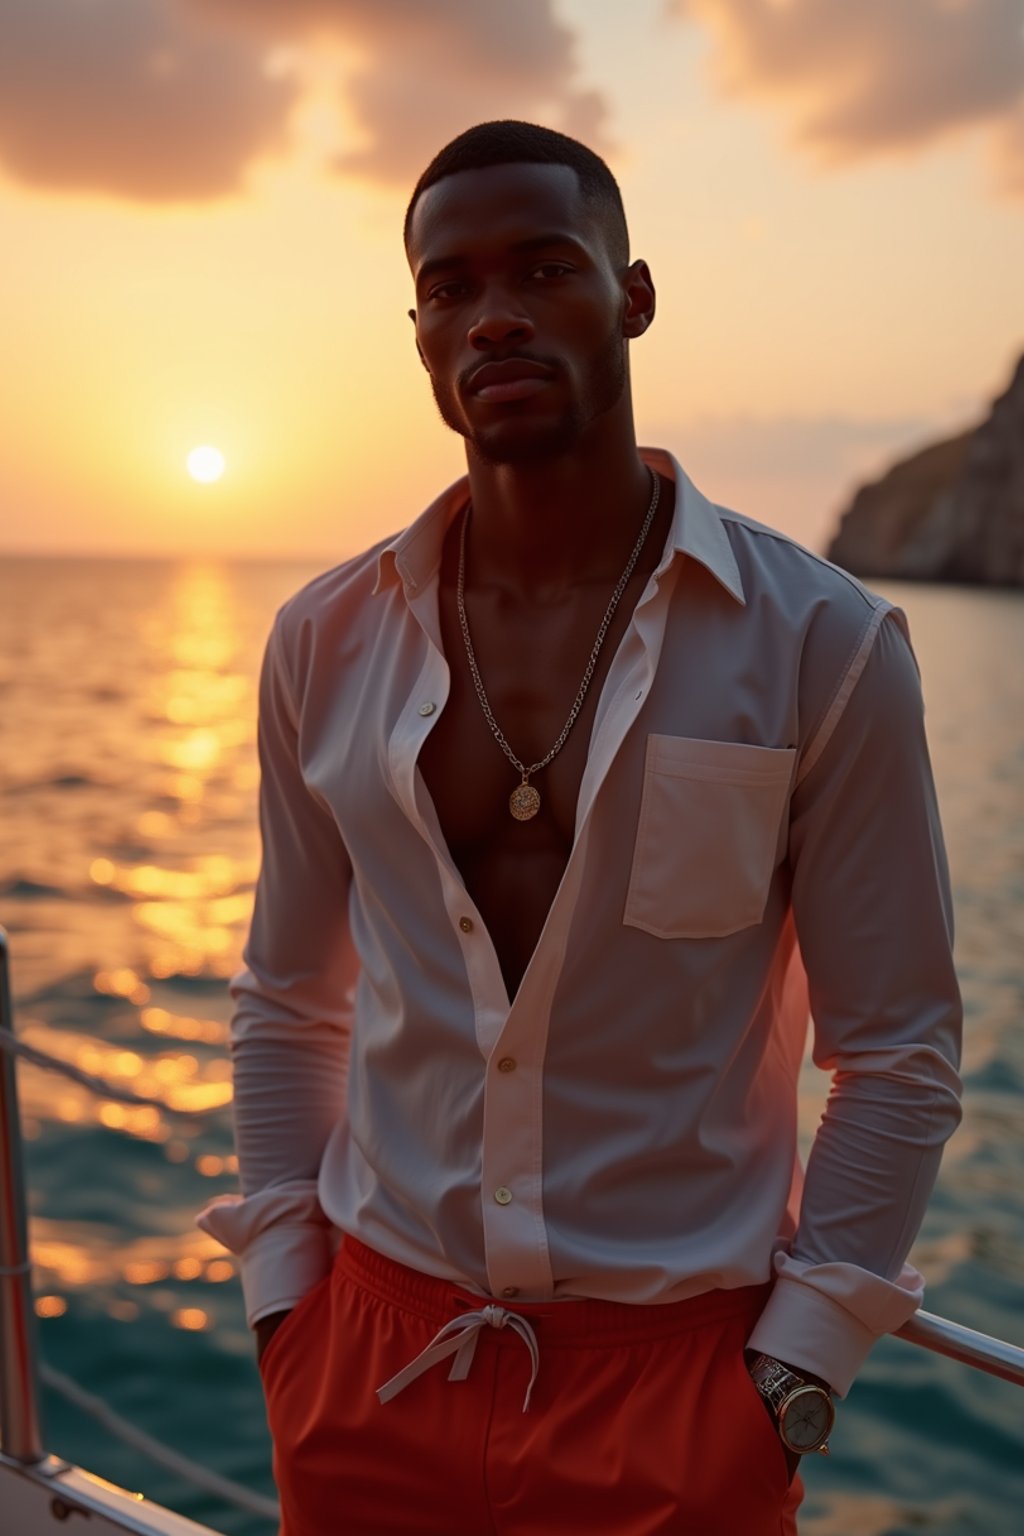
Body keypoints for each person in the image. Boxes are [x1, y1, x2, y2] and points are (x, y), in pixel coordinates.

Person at [198, 120, 962, 1535]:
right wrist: (285, 1311)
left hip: (678, 1392)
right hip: (370, 1361)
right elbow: (288, 998)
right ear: (418, 329)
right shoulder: (324, 643)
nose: (494, 313)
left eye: (546, 269)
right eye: (450, 285)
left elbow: (899, 1052)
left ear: (635, 296)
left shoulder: (822, 647)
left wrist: (792, 1381)